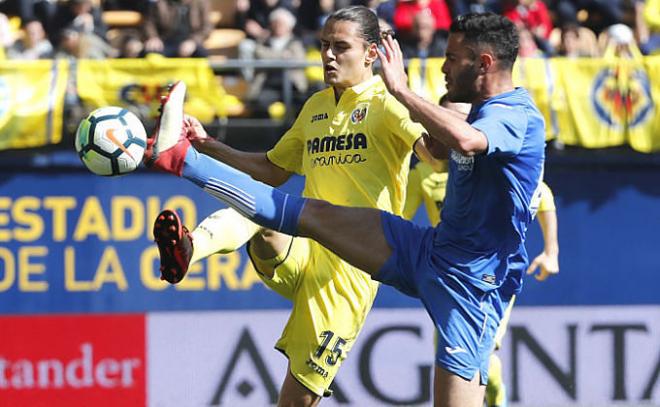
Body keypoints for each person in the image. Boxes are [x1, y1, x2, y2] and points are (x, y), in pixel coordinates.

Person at [144, 12, 545, 407]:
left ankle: (180, 163)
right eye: (324, 46)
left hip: (443, 280)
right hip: (415, 247)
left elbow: (454, 147)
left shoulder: (509, 115)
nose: (328, 56)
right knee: (288, 214)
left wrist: (401, 92)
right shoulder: (320, 106)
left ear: (484, 64)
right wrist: (204, 144)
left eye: (340, 47)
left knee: (296, 400)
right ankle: (183, 183)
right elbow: (272, 169)